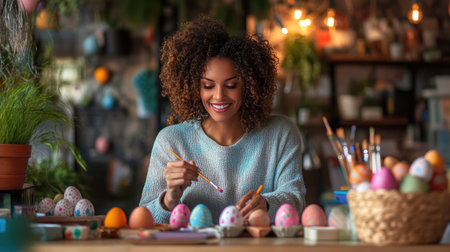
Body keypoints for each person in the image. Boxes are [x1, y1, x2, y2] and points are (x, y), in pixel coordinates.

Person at [139, 17, 306, 224]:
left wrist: (266, 204)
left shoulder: (280, 133)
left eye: (231, 85)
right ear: (193, 87)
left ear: (249, 85)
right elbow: (143, 219)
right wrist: (169, 198)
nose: (219, 96)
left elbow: (296, 200)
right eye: (208, 86)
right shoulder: (171, 141)